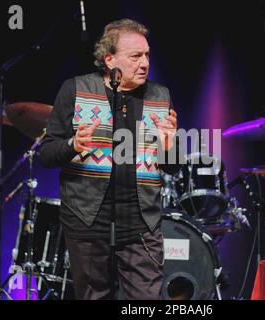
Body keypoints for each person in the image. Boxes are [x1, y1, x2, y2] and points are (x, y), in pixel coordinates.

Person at [39, 18, 179, 300]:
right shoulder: (75, 89)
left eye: (147, 55)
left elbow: (171, 166)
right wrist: (73, 144)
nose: (144, 63)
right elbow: (47, 153)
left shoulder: (160, 96)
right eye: (135, 56)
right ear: (109, 59)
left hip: (142, 223)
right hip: (88, 220)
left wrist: (169, 148)